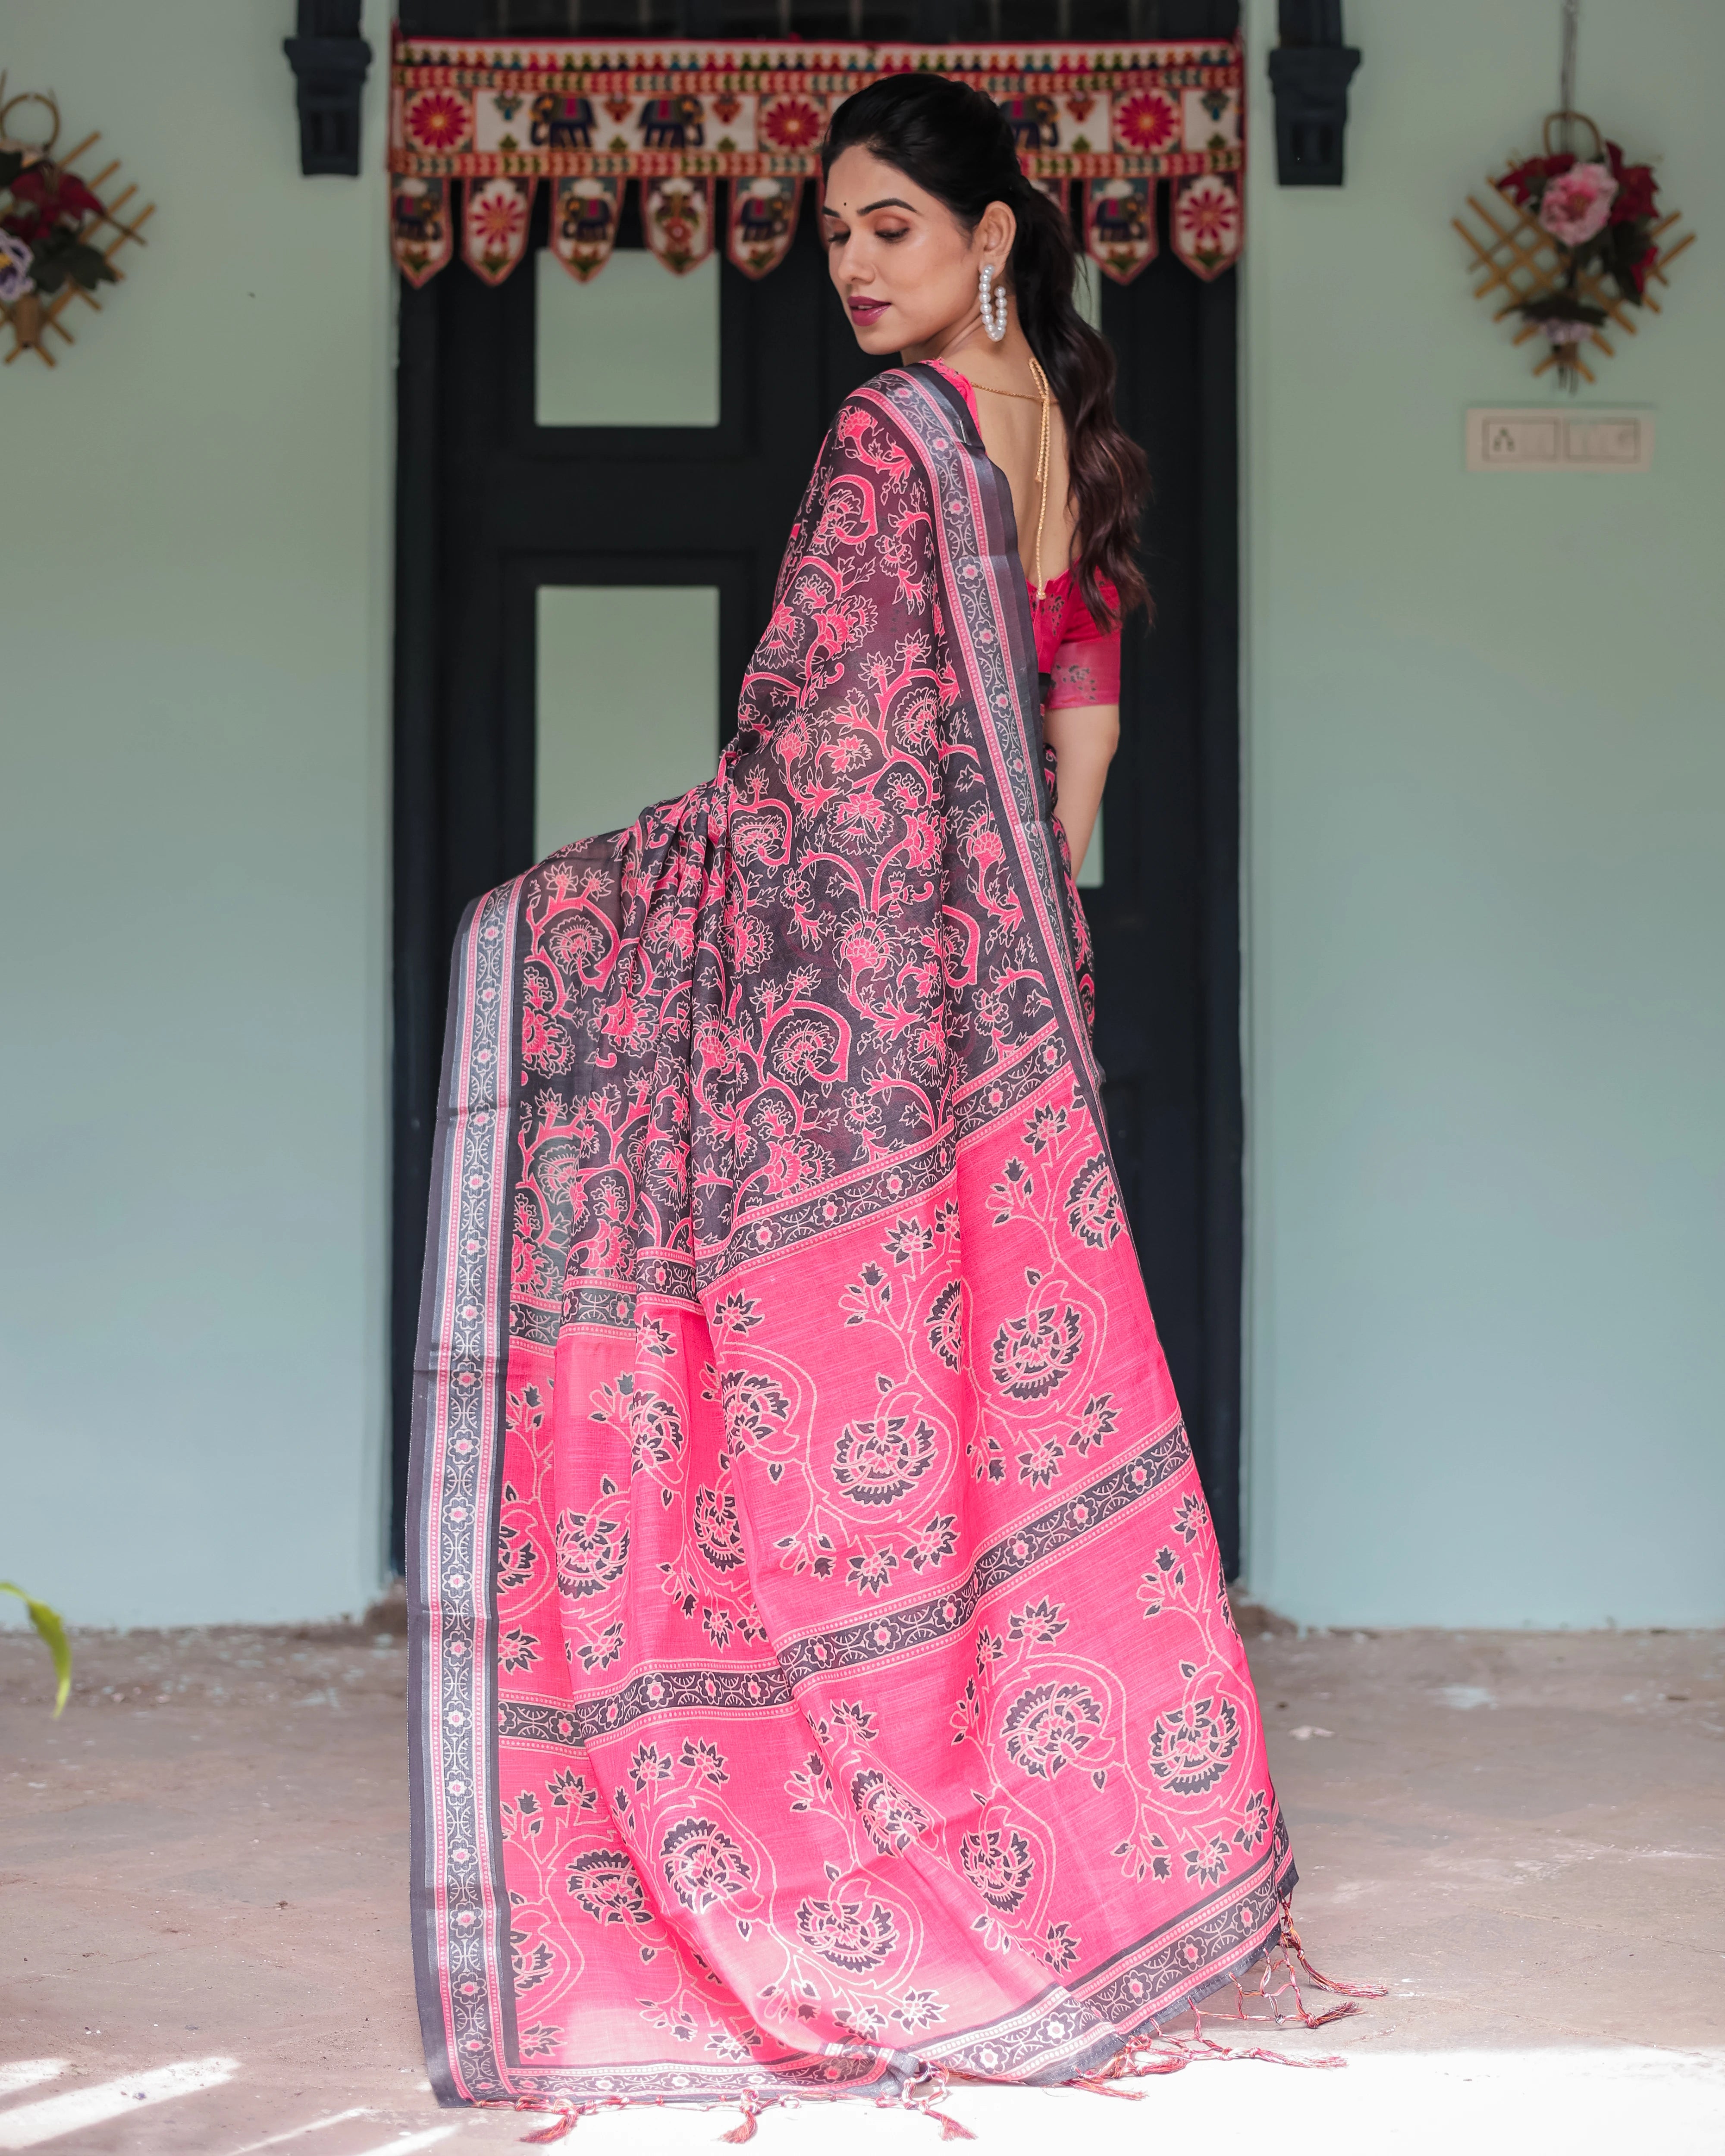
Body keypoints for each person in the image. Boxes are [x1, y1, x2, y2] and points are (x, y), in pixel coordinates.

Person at [407, 69, 1348, 2137]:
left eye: (890, 230)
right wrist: (1032, 944)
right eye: (833, 235)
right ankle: (1091, 1868)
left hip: (877, 990)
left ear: (989, 235)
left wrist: (604, 907)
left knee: (838, 1406)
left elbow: (811, 745)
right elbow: (1072, 724)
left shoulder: (884, 439)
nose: (851, 268)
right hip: (1004, 986)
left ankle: (876, 1847)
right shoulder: (1050, 439)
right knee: (993, 1411)